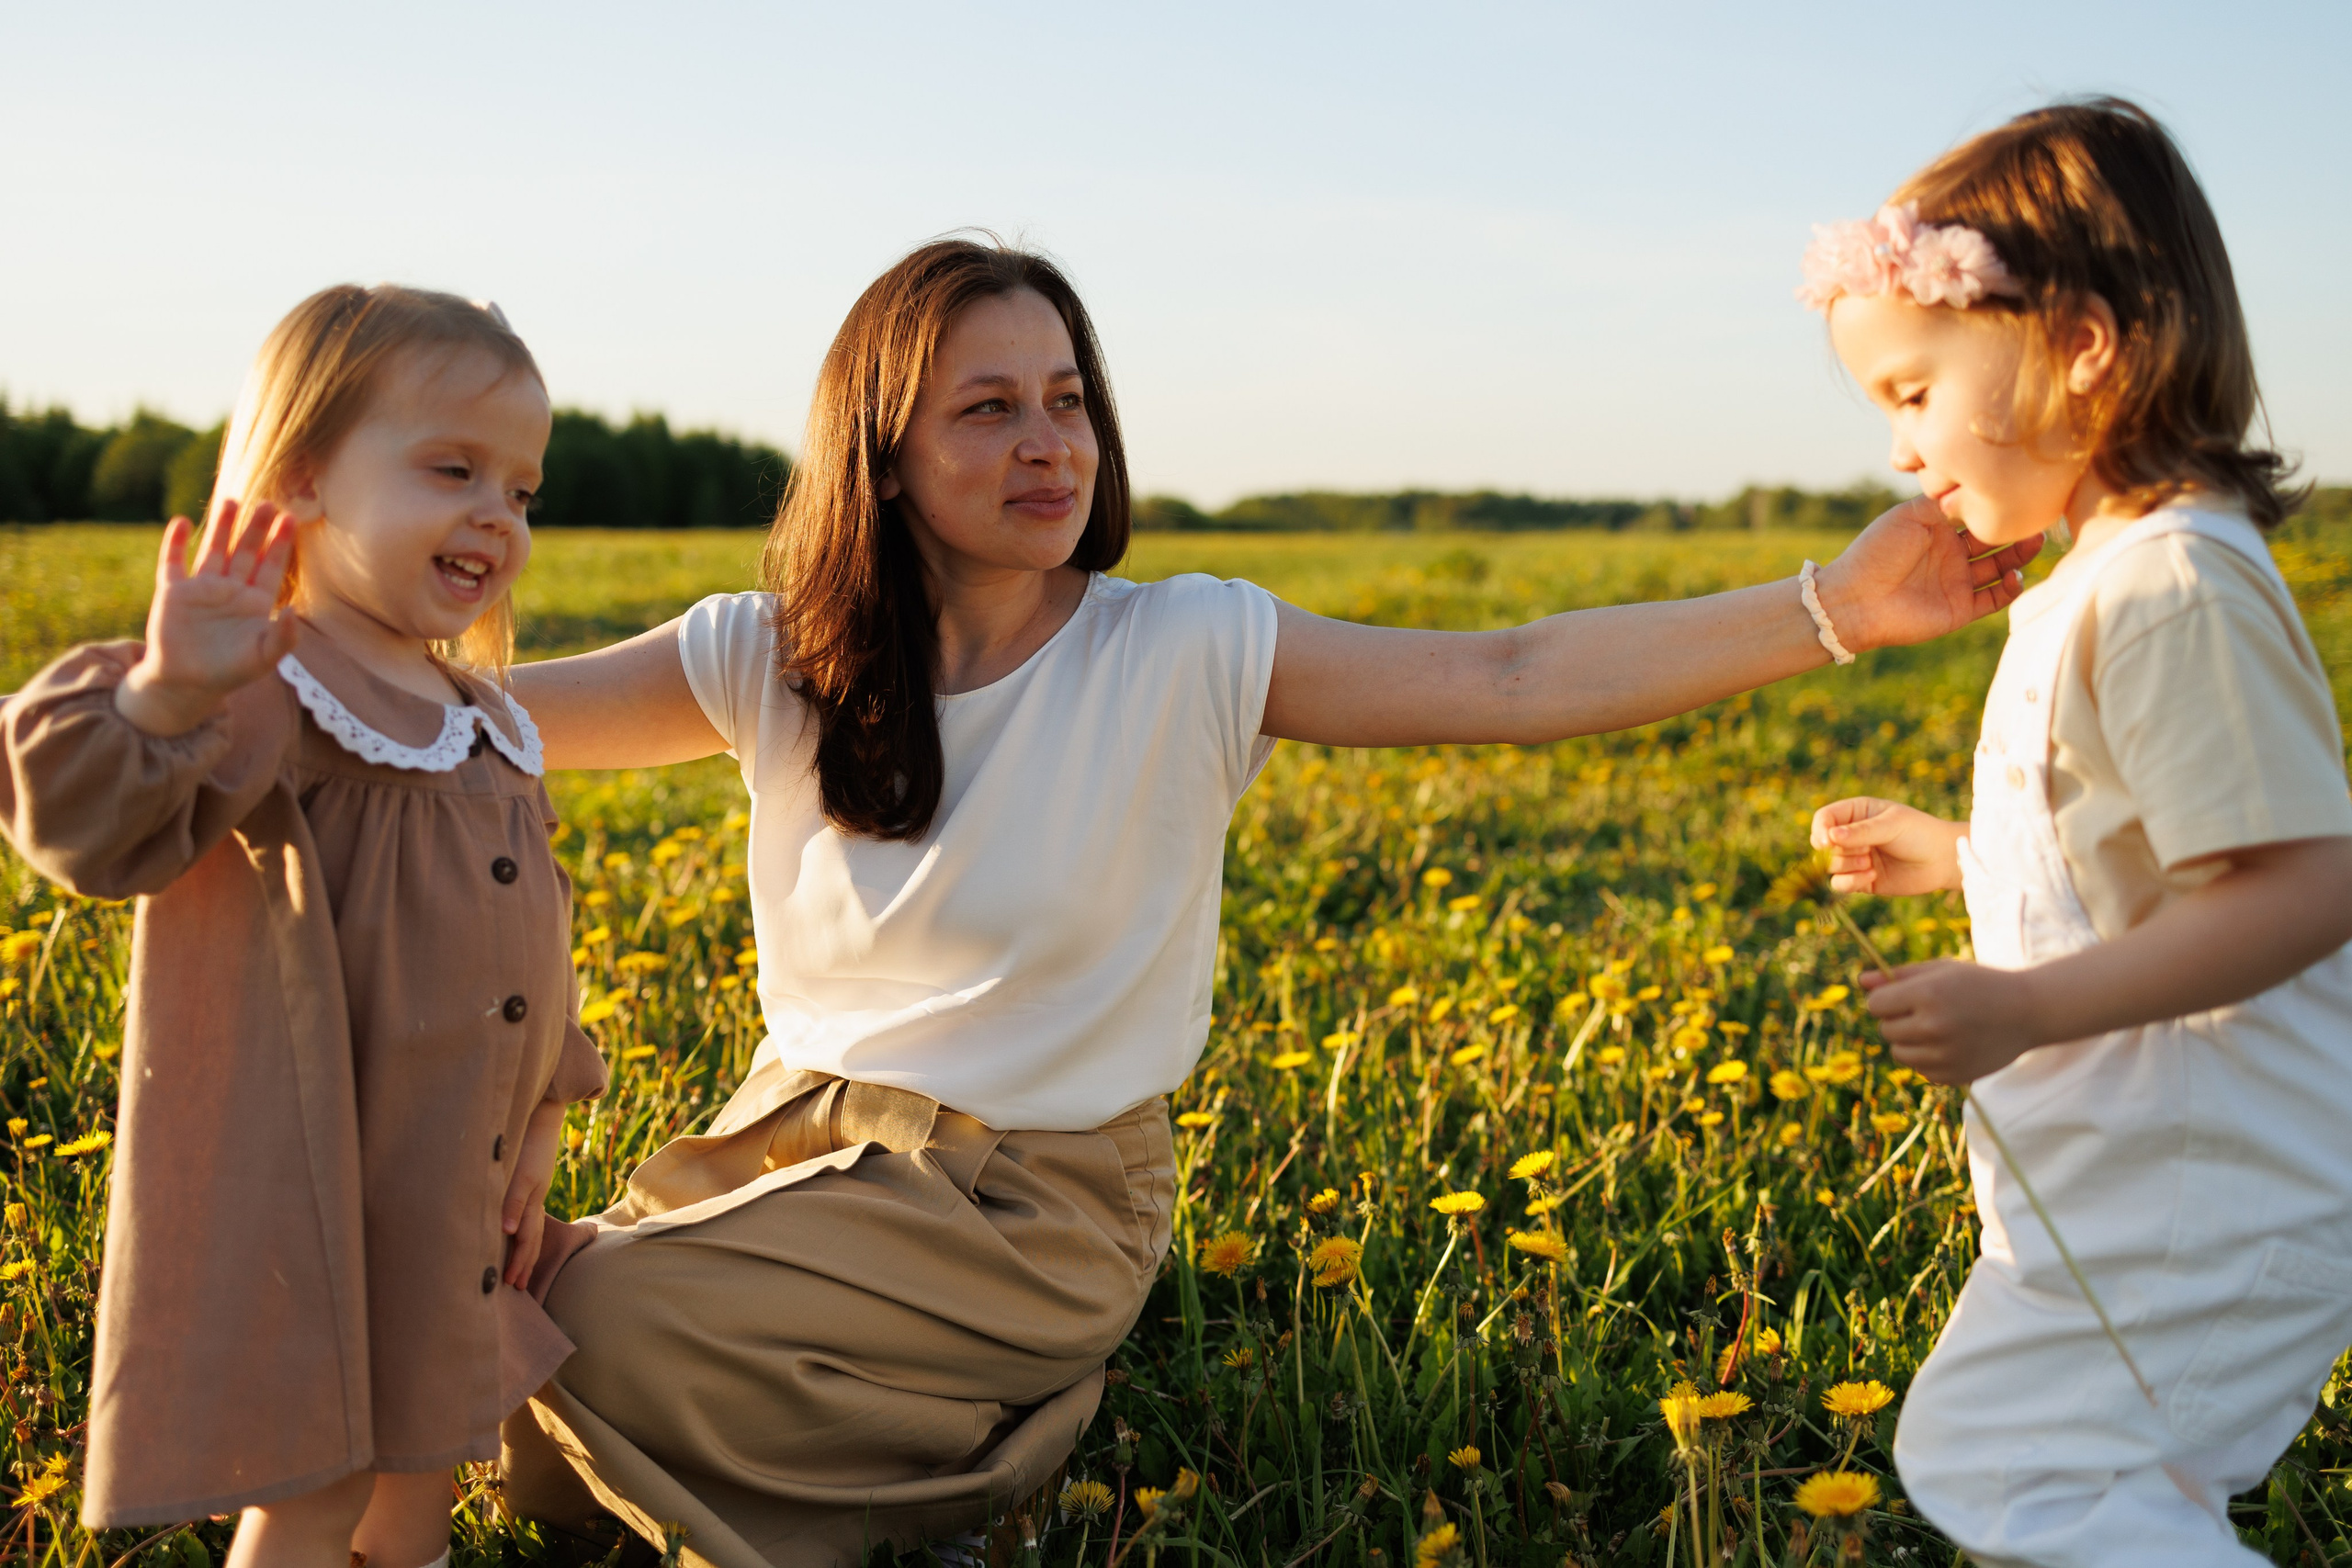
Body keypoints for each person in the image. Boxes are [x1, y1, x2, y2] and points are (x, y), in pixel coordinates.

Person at [499, 237, 2037, 1568]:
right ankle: (830, 1409)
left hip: (1033, 1199)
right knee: (504, 1304)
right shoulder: (772, 655)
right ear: (880, 451)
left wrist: (1836, 607)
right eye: (990, 409)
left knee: (590, 1330)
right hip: (796, 1148)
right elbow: (469, 726)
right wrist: (275, 646)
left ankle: (982, 1462)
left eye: (1069, 401)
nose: (1052, 444)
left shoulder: (1181, 648)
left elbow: (1512, 674)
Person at [1804, 99, 2352, 1567]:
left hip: (2210, 1185)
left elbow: (2300, 888)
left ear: (2087, 349)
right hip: (2149, 1174)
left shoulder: (2172, 585)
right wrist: (1964, 857)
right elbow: (2149, 854)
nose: (1905, 455)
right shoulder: (2110, 577)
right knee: (2058, 1472)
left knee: (2022, 1463)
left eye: (1915, 394)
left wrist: (2029, 1002)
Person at [0, 287, 607, 1568]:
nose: (497, 514)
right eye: (454, 469)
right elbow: (79, 822)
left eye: (522, 489)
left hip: (453, 1189)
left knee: (423, 1473)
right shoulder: (269, 687)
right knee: (319, 1486)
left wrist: (545, 1122)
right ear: (303, 478)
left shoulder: (476, 717)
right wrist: (169, 691)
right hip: (324, 1189)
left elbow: (535, 946)